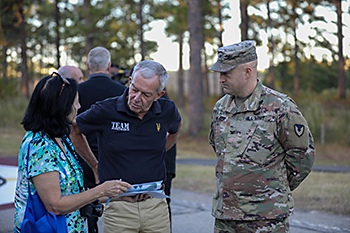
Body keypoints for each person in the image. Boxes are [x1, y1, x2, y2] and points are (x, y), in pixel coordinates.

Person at [208, 40, 315, 233]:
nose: (220, 79)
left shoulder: (280, 107)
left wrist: (272, 190)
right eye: (220, 74)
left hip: (265, 218)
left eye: (226, 73)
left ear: (247, 72)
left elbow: (302, 156)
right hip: (225, 216)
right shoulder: (221, 108)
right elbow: (221, 150)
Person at [71, 60, 183, 233]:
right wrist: (94, 164)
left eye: (146, 94)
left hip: (156, 207)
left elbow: (176, 128)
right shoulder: (106, 110)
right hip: (118, 208)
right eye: (134, 89)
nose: (137, 98)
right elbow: (75, 129)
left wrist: (161, 150)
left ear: (159, 95)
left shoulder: (168, 110)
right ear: (130, 81)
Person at [14, 72, 133, 233]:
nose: (79, 107)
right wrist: (101, 189)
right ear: (60, 106)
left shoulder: (61, 138)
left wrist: (119, 194)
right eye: (75, 102)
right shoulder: (40, 146)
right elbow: (54, 205)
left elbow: (75, 193)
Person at [77, 47, 127, 189]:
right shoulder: (122, 92)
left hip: (83, 158)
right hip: (115, 159)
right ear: (109, 66)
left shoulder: (77, 91)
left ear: (87, 66)